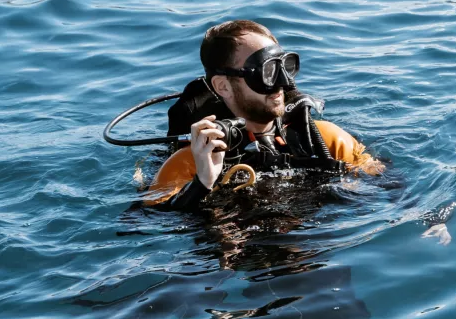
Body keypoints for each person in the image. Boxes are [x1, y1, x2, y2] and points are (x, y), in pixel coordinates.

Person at [143, 19, 384, 211]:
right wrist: (203, 182)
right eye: (266, 71)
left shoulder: (325, 138)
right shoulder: (189, 163)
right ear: (223, 86)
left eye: (284, 66)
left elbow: (387, 189)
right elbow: (150, 227)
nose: (281, 83)